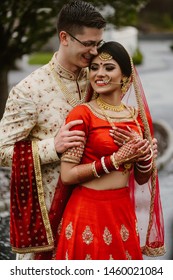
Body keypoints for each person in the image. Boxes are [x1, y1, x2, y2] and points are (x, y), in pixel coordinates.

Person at [0, 0, 106, 260]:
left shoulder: (100, 79)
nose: (94, 52)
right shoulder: (29, 90)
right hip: (47, 223)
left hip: (96, 216)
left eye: (98, 44)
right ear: (64, 37)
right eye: (88, 44)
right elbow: (1, 151)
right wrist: (52, 147)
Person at [53, 41, 165, 260]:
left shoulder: (137, 117)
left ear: (125, 75)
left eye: (109, 67)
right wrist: (114, 159)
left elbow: (142, 179)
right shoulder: (81, 114)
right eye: (94, 67)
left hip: (121, 209)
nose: (99, 74)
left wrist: (144, 157)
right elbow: (67, 176)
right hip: (87, 210)